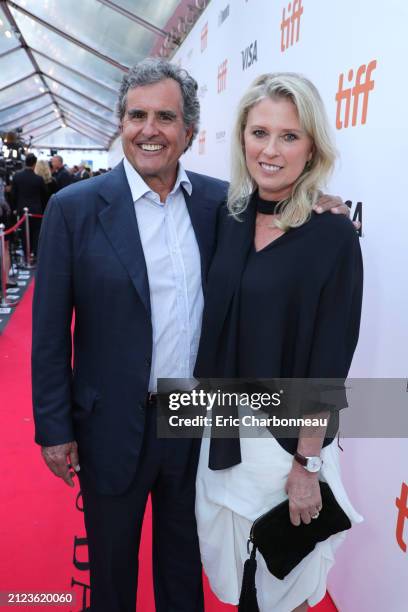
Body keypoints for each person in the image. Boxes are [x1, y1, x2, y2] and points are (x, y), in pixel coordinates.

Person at [31, 59, 350, 612]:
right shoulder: (74, 209)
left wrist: (323, 203)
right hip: (110, 426)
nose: (149, 129)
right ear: (121, 122)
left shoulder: (219, 204)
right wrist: (54, 428)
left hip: (195, 425)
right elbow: (51, 332)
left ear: (189, 132)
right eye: (136, 115)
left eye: (165, 117)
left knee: (184, 568)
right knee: (112, 575)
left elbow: (288, 221)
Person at [194, 73, 364, 612]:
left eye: (289, 136)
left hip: (286, 446)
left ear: (312, 145)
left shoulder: (333, 235)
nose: (270, 150)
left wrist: (306, 466)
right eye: (259, 132)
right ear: (241, 136)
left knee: (279, 584)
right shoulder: (230, 215)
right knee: (235, 581)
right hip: (221, 430)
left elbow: (329, 362)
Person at [10, 152, 47, 258]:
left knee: (24, 233)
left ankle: (27, 254)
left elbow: (13, 194)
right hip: (36, 210)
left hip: (22, 209)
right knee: (36, 233)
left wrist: (14, 208)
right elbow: (45, 194)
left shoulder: (17, 177)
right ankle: (35, 253)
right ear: (34, 164)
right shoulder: (39, 179)